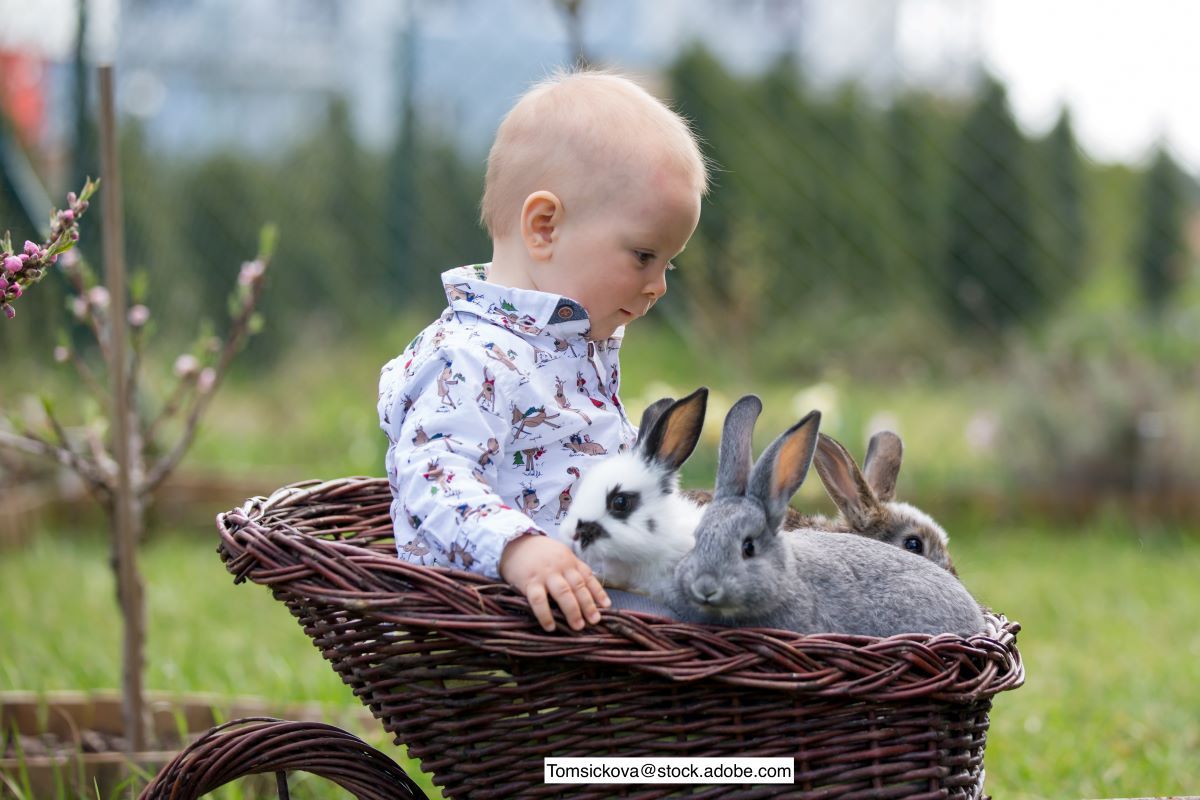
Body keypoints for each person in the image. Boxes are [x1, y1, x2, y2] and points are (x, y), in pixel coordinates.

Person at [377, 68, 708, 633]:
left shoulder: (568, 346)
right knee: (706, 633)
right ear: (545, 227)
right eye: (643, 256)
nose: (658, 286)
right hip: (499, 608)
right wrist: (518, 548)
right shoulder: (471, 356)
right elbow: (432, 477)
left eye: (667, 265)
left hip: (582, 593)